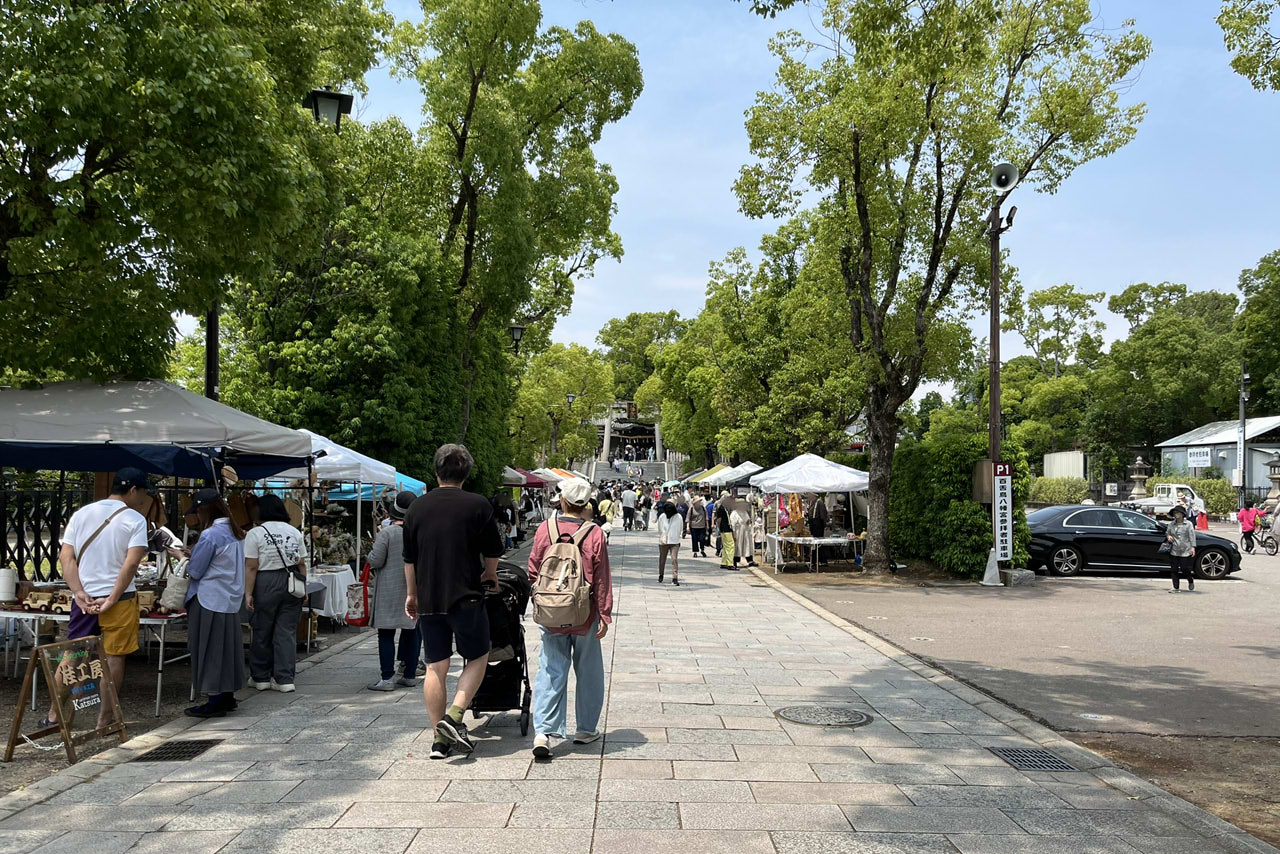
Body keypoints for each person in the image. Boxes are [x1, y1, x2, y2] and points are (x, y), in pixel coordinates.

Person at [403, 444, 504, 759]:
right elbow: (493, 551)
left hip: (430, 596)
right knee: (478, 657)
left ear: (436, 472)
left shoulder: (416, 508)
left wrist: (412, 594)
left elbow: (410, 560)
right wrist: (490, 574)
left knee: (435, 666)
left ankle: (439, 741)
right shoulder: (477, 505)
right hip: (467, 595)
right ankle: (454, 716)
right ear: (467, 474)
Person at [43, 468, 152, 730]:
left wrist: (78, 592)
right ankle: (105, 719)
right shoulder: (135, 520)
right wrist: (113, 597)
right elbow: (131, 563)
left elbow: (65, 557)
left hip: (85, 598)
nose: (145, 497)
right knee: (114, 658)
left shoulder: (82, 514)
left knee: (73, 653)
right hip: (120, 599)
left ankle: (53, 716)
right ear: (133, 490)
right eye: (144, 492)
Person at [527, 478, 613, 758]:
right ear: (585, 504)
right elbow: (601, 578)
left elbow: (533, 569)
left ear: (562, 501)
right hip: (584, 612)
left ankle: (543, 731)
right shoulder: (595, 533)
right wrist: (604, 613)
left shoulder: (545, 529)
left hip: (552, 611)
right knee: (588, 670)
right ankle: (586, 728)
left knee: (551, 668)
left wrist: (541, 599)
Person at [185, 489, 247, 718]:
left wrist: (185, 557)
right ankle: (227, 695)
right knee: (228, 650)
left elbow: (196, 570)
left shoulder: (210, 535)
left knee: (209, 649)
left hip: (208, 598)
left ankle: (214, 700)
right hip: (229, 597)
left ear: (204, 510)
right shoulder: (236, 531)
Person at [244, 494, 305, 693]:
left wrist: (248, 593)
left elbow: (251, 567)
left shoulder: (256, 533)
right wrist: (304, 586)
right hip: (292, 580)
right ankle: (285, 678)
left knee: (262, 629)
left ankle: (260, 676)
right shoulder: (294, 531)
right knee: (286, 631)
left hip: (266, 581)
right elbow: (302, 563)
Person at [367, 491, 421, 691]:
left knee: (386, 633)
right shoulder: (418, 532)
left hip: (389, 588)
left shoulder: (387, 533)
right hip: (413, 587)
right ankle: (409, 674)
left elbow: (376, 559)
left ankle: (387, 678)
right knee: (411, 630)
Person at [1165, 505, 1197, 593]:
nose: (1176, 515)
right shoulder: (1171, 524)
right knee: (1174, 569)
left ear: (1182, 514)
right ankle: (1176, 587)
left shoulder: (1188, 524)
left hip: (1185, 550)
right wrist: (1168, 536)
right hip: (1174, 549)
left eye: (1178, 513)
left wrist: (1193, 547)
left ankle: (1190, 580)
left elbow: (1192, 536)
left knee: (1184, 568)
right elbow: (1167, 532)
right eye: (1175, 513)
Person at [655, 500, 684, 585]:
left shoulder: (678, 517)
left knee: (674, 559)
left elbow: (680, 528)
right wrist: (664, 535)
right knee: (662, 559)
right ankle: (661, 575)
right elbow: (660, 528)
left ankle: (675, 578)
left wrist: (676, 535)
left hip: (674, 541)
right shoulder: (662, 516)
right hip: (664, 541)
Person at [731, 497, 754, 567]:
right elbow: (733, 525)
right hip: (738, 532)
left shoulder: (745, 512)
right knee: (738, 546)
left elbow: (748, 520)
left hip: (745, 531)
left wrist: (749, 521)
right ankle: (735, 561)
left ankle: (750, 560)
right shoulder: (734, 513)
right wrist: (734, 534)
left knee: (747, 546)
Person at [716, 493, 736, 569]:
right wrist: (720, 529)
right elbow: (719, 520)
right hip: (725, 529)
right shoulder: (721, 508)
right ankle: (730, 563)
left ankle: (724, 562)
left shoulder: (724, 508)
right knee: (730, 546)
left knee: (725, 547)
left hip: (725, 529)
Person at [688, 492, 709, 558]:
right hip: (693, 526)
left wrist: (707, 525)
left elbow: (706, 517)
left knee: (702, 539)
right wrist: (687, 527)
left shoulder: (703, 508)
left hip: (702, 526)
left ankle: (702, 550)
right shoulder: (691, 509)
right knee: (694, 540)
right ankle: (695, 551)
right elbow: (688, 518)